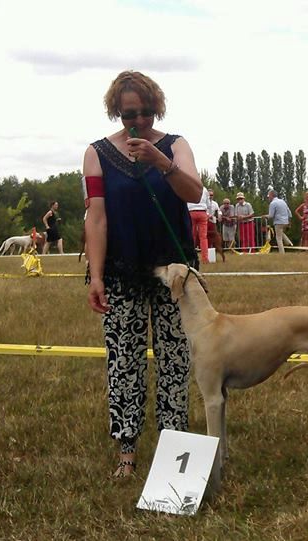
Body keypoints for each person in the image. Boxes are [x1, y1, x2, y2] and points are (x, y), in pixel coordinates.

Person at [82, 70, 202, 478]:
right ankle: (127, 451)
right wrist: (96, 276)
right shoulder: (97, 153)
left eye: (148, 112)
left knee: (174, 359)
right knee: (124, 361)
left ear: (157, 108)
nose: (140, 121)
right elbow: (96, 219)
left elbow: (194, 192)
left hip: (174, 272)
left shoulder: (175, 145)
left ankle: (175, 455)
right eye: (130, 113)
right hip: (121, 269)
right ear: (116, 110)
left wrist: (162, 162)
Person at [266, 189, 294, 254]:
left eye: (269, 196)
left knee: (278, 238)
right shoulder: (282, 201)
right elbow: (289, 212)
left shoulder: (272, 203)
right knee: (280, 233)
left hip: (278, 222)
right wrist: (289, 222)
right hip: (285, 221)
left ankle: (282, 253)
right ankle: (289, 243)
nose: (268, 198)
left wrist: (265, 216)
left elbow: (271, 215)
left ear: (271, 195)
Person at [188, 186, 210, 263]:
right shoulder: (204, 189)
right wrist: (207, 213)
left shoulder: (188, 187)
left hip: (191, 212)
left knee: (191, 236)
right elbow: (208, 204)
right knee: (203, 237)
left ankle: (190, 258)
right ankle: (205, 259)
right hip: (202, 212)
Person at [206, 189, 223, 258]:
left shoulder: (215, 203)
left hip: (213, 222)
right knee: (206, 238)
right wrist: (208, 215)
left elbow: (219, 210)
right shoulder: (204, 203)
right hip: (205, 221)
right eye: (209, 195)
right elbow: (203, 210)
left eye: (212, 195)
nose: (211, 196)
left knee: (215, 238)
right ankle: (207, 255)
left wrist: (219, 215)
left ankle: (213, 256)